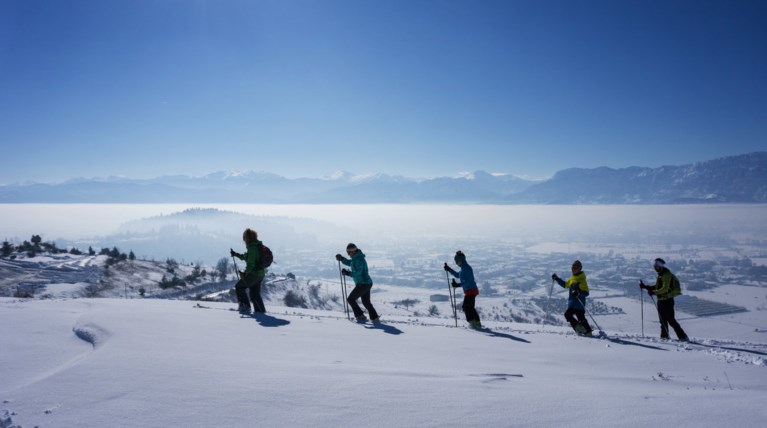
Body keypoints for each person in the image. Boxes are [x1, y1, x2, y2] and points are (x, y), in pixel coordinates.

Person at [640, 258, 689, 341]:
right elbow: (657, 286)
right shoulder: (661, 274)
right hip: (661, 300)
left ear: (660, 266)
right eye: (654, 267)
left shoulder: (666, 275)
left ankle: (683, 337)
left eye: (657, 267)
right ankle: (664, 337)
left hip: (667, 300)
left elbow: (665, 288)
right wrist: (646, 287)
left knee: (671, 320)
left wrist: (654, 292)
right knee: (662, 321)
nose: (655, 268)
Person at [336, 243, 380, 322]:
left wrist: (347, 273)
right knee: (366, 302)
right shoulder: (355, 258)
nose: (348, 254)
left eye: (349, 252)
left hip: (363, 284)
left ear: (354, 251)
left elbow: (357, 273)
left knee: (350, 299)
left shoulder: (359, 259)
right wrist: (342, 259)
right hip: (365, 283)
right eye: (347, 252)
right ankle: (374, 318)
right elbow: (350, 263)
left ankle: (360, 316)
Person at [552, 260, 593, 336]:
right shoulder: (572, 278)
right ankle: (587, 331)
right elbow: (565, 285)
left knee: (568, 315)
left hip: (578, 303)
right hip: (573, 303)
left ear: (579, 269)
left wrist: (579, 293)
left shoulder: (581, 280)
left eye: (575, 268)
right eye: (572, 267)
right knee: (581, 318)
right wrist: (557, 279)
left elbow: (586, 292)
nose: (573, 269)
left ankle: (580, 330)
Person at [230, 228, 266, 314]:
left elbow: (251, 264)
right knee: (255, 294)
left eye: (245, 237)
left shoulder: (252, 248)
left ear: (249, 237)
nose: (244, 240)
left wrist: (245, 274)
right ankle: (260, 311)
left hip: (254, 274)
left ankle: (245, 307)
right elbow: (246, 257)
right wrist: (236, 254)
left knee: (239, 287)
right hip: (260, 274)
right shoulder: (256, 246)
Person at [444, 250, 482, 329]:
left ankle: (473, 323)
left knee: (466, 307)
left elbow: (467, 281)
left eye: (457, 261)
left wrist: (458, 285)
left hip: (471, 290)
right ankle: (476, 323)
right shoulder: (463, 268)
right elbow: (458, 275)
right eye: (455, 261)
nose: (456, 263)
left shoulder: (466, 268)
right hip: (470, 291)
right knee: (469, 307)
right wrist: (449, 269)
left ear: (461, 260)